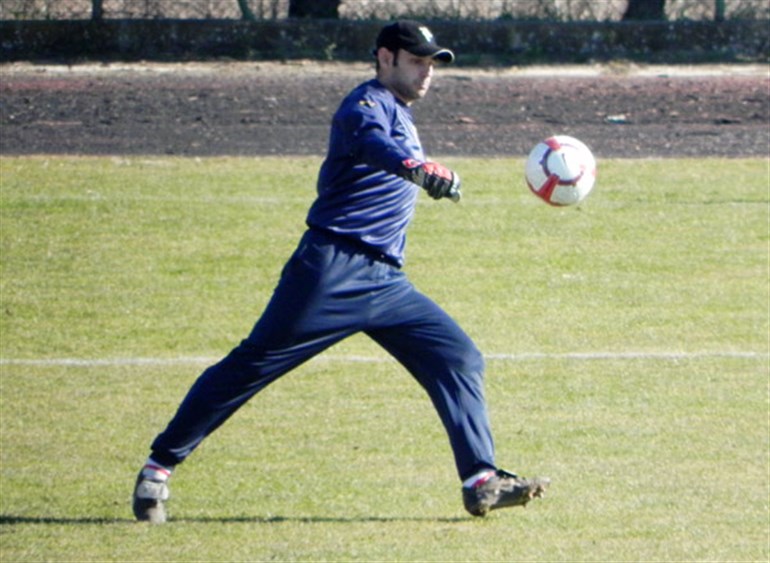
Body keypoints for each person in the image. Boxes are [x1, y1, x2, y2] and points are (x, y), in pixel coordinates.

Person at [132, 20, 549, 524]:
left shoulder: (401, 111)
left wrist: (422, 171)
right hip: (330, 272)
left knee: (456, 356)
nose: (426, 73)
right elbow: (375, 144)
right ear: (385, 58)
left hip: (386, 281)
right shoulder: (366, 104)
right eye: (417, 61)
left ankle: (480, 480)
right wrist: (418, 169)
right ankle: (158, 469)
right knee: (250, 368)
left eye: (432, 63)